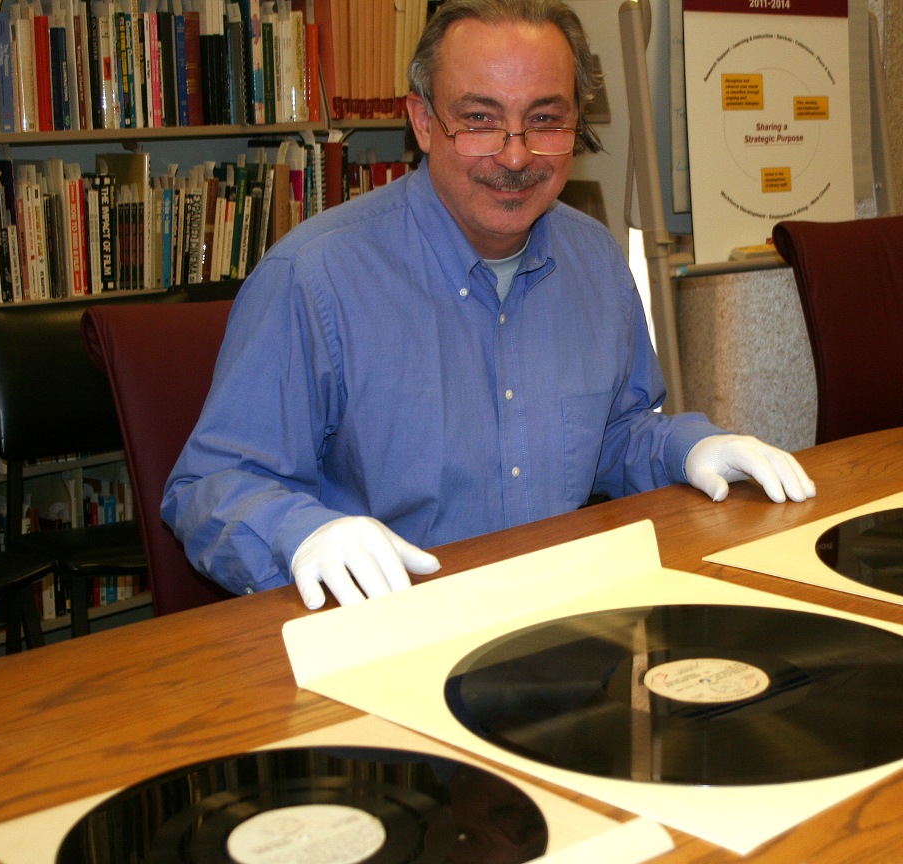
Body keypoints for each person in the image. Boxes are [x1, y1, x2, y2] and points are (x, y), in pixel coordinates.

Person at [161, 0, 814, 610]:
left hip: (561, 620)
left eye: (545, 120)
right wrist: (300, 532)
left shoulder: (595, 258)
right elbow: (210, 487)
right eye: (479, 120)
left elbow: (612, 436)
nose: (515, 154)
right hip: (385, 636)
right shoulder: (314, 276)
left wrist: (690, 447)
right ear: (422, 121)